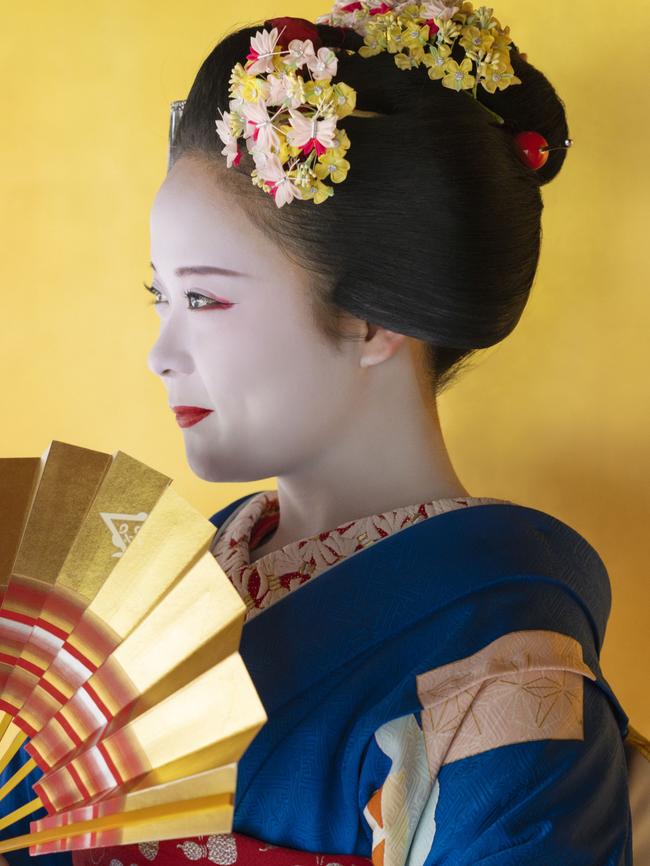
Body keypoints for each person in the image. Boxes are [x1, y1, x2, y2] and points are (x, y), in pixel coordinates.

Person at [0, 2, 644, 864]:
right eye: (161, 297)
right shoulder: (194, 576)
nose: (161, 353)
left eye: (205, 299)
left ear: (373, 319)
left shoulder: (510, 677)